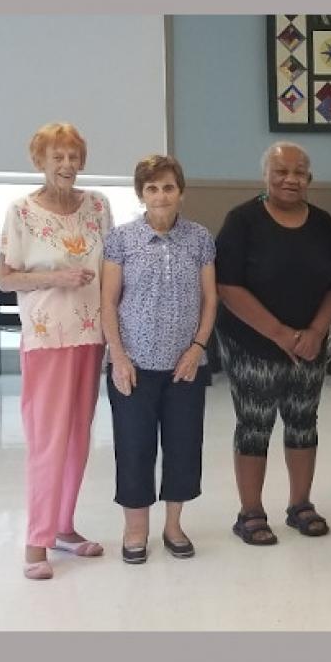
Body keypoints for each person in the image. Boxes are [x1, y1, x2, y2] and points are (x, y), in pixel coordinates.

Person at [0, 122, 113, 580]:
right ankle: (35, 542)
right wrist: (57, 277)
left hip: (90, 336)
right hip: (46, 338)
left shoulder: (98, 206)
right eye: (56, 157)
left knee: (79, 439)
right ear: (41, 162)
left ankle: (63, 527)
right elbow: (6, 278)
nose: (66, 165)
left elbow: (112, 267)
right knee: (47, 441)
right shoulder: (21, 211)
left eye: (72, 156)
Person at [215, 142, 331, 546]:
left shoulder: (322, 222)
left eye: (299, 172)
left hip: (309, 344)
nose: (290, 178)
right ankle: (250, 512)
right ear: (265, 176)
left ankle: (300, 505)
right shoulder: (242, 221)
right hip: (251, 344)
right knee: (255, 426)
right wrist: (282, 335)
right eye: (281, 171)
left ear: (310, 178)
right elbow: (227, 286)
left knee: (303, 423)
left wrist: (317, 332)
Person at [100, 155, 216, 563]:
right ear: (141, 194)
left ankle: (173, 525)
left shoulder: (200, 238)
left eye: (168, 187)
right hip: (132, 364)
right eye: (152, 188)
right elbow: (108, 303)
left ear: (180, 191)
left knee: (184, 446)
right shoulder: (121, 239)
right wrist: (118, 356)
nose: (161, 195)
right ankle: (135, 529)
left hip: (186, 366)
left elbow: (210, 299)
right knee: (134, 447)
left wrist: (197, 348)